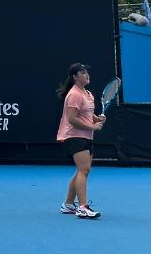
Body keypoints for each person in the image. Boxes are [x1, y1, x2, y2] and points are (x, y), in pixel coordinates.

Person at [55, 63, 105, 219]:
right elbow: (71, 119)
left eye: (86, 72)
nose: (86, 74)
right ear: (75, 77)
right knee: (84, 170)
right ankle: (83, 207)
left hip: (86, 136)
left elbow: (87, 115)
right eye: (82, 73)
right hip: (74, 136)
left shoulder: (88, 93)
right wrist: (93, 126)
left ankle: (68, 205)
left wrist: (97, 118)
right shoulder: (74, 94)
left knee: (81, 171)